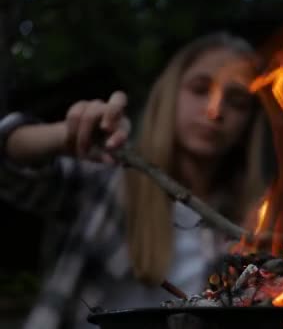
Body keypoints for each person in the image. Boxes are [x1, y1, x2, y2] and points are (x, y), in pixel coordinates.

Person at [0, 32, 269, 329]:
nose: (215, 111)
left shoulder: (259, 221)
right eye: (200, 89)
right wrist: (65, 135)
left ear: (251, 121)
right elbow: (9, 165)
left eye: (237, 101)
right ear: (169, 94)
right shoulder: (103, 182)